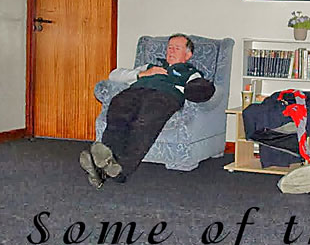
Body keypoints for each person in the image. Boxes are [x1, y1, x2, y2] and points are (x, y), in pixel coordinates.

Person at [79, 33, 215, 188]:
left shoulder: (190, 72)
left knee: (144, 124)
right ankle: (103, 167)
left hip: (164, 96)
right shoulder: (151, 66)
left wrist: (199, 88)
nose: (171, 51)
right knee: (118, 116)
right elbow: (114, 75)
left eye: (177, 48)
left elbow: (201, 89)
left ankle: (121, 171)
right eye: (169, 47)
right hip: (135, 92)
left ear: (188, 55)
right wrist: (142, 74)